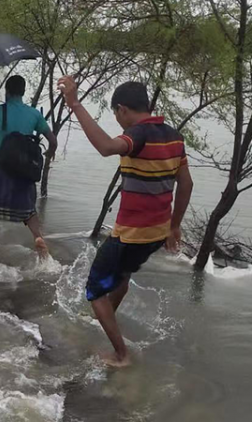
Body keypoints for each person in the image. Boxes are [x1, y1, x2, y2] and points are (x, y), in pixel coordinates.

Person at [58, 77, 194, 367]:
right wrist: (174, 225)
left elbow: (107, 147)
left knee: (94, 291)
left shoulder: (138, 134)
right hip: (156, 233)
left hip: (130, 234)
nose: (119, 123)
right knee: (121, 276)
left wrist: (75, 103)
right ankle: (107, 320)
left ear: (122, 110)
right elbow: (186, 184)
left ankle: (121, 355)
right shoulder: (175, 137)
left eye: (117, 116)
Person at [0, 76, 57, 256]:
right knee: (29, 212)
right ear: (23, 92)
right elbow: (52, 141)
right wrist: (49, 153)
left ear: (6, 91)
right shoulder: (34, 114)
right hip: (24, 172)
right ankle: (38, 239)